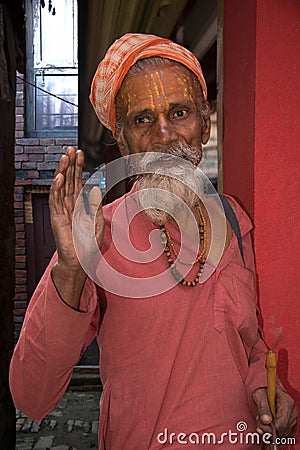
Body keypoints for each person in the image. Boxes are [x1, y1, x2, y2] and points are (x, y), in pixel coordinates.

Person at [9, 33, 297, 449]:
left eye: (179, 112)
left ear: (204, 126)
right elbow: (30, 396)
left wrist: (261, 386)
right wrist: (71, 271)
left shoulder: (232, 220)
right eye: (143, 120)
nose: (164, 134)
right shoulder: (97, 232)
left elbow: (247, 342)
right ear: (123, 141)